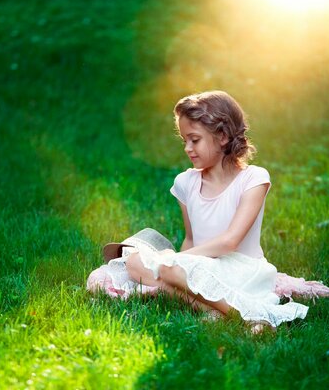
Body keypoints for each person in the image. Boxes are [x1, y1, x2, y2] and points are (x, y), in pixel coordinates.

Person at [124, 90, 308, 332]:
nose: (188, 148)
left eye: (195, 139)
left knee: (166, 267)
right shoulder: (185, 182)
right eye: (184, 141)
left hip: (242, 269)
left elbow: (230, 241)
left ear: (222, 136)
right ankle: (213, 311)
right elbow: (190, 239)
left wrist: (176, 264)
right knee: (133, 261)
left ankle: (250, 317)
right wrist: (180, 268)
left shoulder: (253, 178)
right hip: (205, 263)